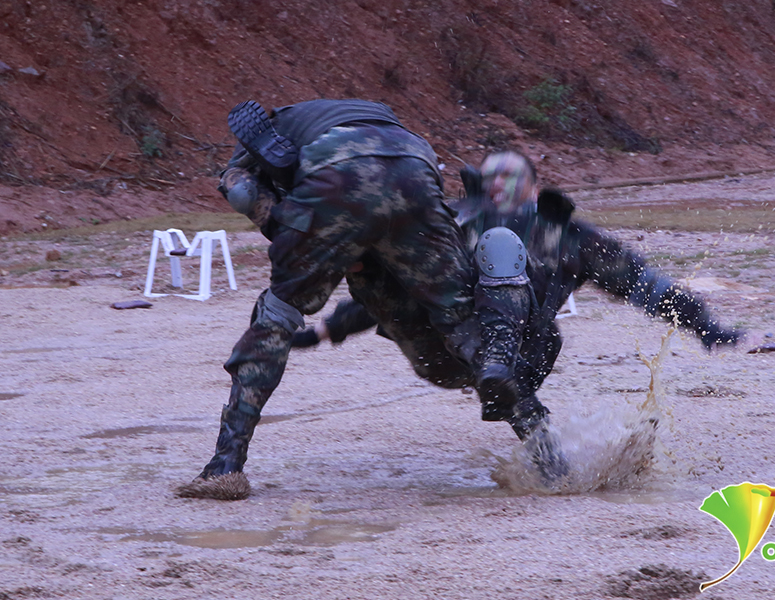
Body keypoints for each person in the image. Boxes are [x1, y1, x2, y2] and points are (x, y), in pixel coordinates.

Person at [178, 99, 520, 500]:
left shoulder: (270, 130)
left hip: (332, 176)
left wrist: (290, 231)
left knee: (277, 314)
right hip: (414, 165)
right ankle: (545, 450)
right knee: (461, 318)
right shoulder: (375, 115)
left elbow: (241, 190)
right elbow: (393, 198)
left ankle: (225, 468)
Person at [291, 151, 742, 446]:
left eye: (511, 181)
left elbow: (644, 284)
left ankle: (533, 436)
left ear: (528, 190)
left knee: (531, 345)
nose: (502, 190)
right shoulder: (458, 230)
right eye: (495, 182)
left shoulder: (562, 238)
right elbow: (399, 289)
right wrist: (327, 330)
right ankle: (539, 443)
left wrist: (707, 329)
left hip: (500, 356)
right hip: (444, 346)